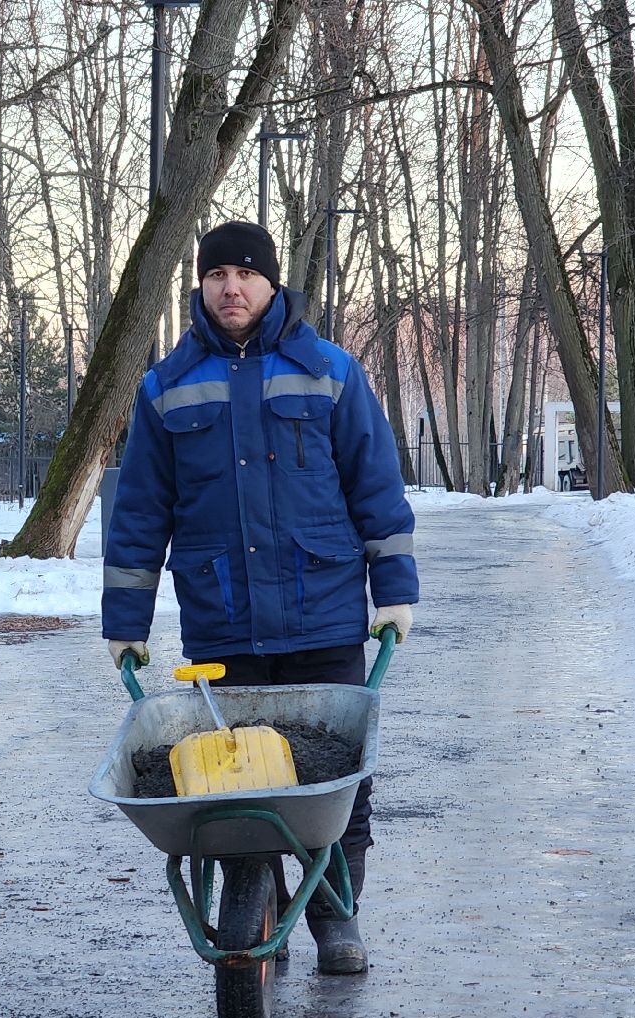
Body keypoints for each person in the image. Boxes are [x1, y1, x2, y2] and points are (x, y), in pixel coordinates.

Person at [101, 220, 418, 975]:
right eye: (217, 275)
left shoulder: (331, 371)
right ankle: (261, 904)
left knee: (337, 783)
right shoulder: (167, 386)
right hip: (223, 621)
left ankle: (336, 917)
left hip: (323, 615)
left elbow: (376, 488)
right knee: (233, 782)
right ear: (200, 286)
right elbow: (140, 512)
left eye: (246, 274)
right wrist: (126, 621)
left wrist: (393, 591)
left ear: (273, 284)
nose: (231, 288)